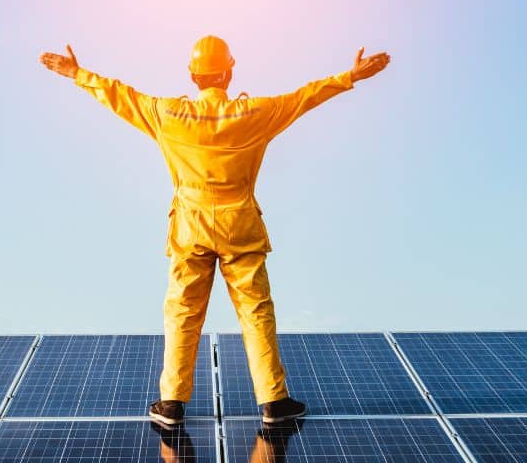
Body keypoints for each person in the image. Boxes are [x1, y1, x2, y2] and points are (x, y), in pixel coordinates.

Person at [40, 36, 390, 426]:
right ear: (229, 72)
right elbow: (304, 97)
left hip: (190, 226)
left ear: (193, 76)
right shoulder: (257, 113)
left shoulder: (165, 114)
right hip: (240, 224)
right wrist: (351, 75)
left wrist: (77, 73)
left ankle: (171, 403)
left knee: (183, 312)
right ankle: (274, 401)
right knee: (256, 312)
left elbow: (119, 95)